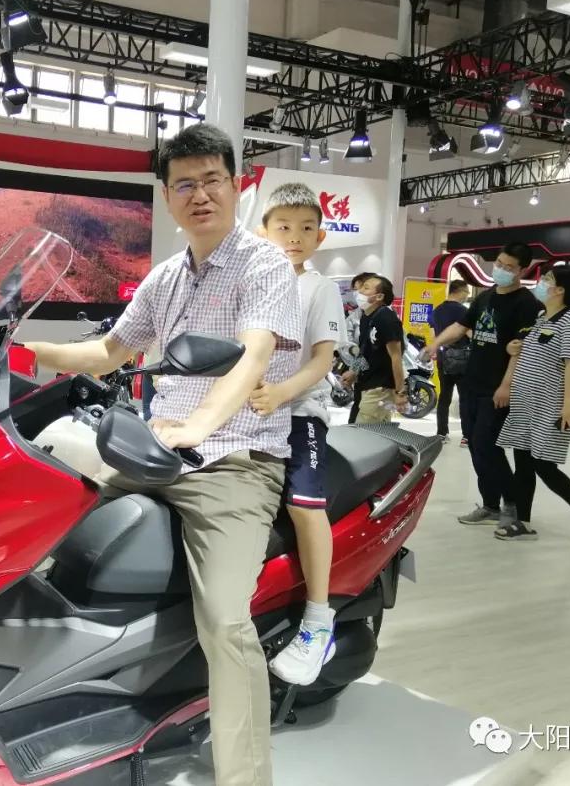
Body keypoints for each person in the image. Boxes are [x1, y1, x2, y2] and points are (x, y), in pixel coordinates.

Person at [24, 123, 303, 786]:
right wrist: (17, 349)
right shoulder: (167, 277)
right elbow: (107, 352)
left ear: (235, 186)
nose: (200, 195)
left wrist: (198, 424)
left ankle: (245, 777)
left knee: (226, 622)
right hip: (158, 448)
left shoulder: (263, 264)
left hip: (232, 461)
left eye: (212, 180)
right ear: (168, 196)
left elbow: (254, 354)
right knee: (40, 515)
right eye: (184, 184)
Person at [248, 183, 345, 686]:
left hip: (300, 411)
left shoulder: (320, 288)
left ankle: (318, 619)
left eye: (307, 228)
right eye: (283, 227)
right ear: (263, 232)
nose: (295, 236)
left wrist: (282, 393)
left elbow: (323, 361)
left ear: (320, 237)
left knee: (305, 504)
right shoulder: (252, 283)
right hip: (250, 410)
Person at [426, 243, 542, 527]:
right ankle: (490, 503)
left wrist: (507, 385)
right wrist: (435, 343)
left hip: (497, 387)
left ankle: (512, 502)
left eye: (508, 267)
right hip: (472, 381)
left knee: (486, 444)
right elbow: (462, 326)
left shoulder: (527, 304)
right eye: (499, 263)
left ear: (522, 270)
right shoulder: (485, 297)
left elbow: (520, 350)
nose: (500, 269)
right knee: (474, 444)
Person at [496, 267, 570, 543]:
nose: (541, 283)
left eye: (547, 280)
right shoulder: (542, 317)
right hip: (526, 404)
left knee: (543, 464)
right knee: (522, 463)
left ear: (560, 290)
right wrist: (513, 349)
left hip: (550, 406)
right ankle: (523, 523)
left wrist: (569, 404)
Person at [344, 275, 405, 424]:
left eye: (366, 288)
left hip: (380, 388)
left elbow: (396, 357)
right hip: (367, 384)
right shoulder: (366, 317)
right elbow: (365, 350)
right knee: (378, 432)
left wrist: (400, 392)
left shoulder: (387, 318)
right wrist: (354, 371)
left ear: (379, 296)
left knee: (363, 432)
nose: (359, 291)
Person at [430, 279, 471, 445]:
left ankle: (442, 433)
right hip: (463, 360)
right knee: (465, 398)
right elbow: (470, 334)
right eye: (466, 292)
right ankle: (466, 436)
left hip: (444, 359)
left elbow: (434, 335)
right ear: (459, 291)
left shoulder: (437, 311)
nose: (467, 296)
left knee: (444, 396)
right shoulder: (464, 311)